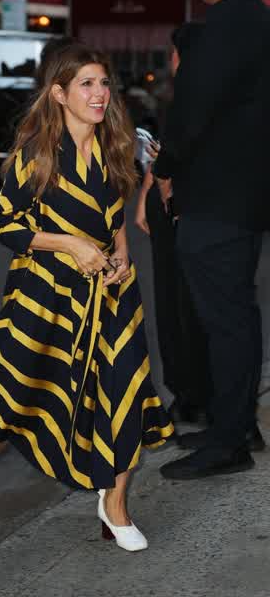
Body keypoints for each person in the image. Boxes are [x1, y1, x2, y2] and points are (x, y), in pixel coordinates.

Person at [0, 43, 173, 551]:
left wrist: (121, 254)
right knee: (19, 389)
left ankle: (114, 503)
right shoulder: (37, 154)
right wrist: (70, 244)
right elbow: (4, 224)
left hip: (111, 294)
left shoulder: (115, 145)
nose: (99, 94)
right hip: (45, 293)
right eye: (86, 84)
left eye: (103, 83)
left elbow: (113, 216)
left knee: (125, 388)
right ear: (58, 93)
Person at [153, 0, 270, 480]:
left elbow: (194, 105)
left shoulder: (232, 20)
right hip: (240, 196)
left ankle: (229, 441)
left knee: (227, 322)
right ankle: (234, 426)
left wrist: (164, 167)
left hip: (219, 198)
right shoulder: (254, 19)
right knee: (234, 318)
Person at [135, 22, 210, 425]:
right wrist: (148, 191)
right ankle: (189, 393)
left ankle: (190, 395)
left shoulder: (193, 94)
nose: (171, 60)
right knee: (180, 303)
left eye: (173, 52)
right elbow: (165, 151)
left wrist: (159, 189)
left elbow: (174, 156)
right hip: (176, 204)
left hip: (182, 205)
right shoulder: (199, 93)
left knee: (181, 305)